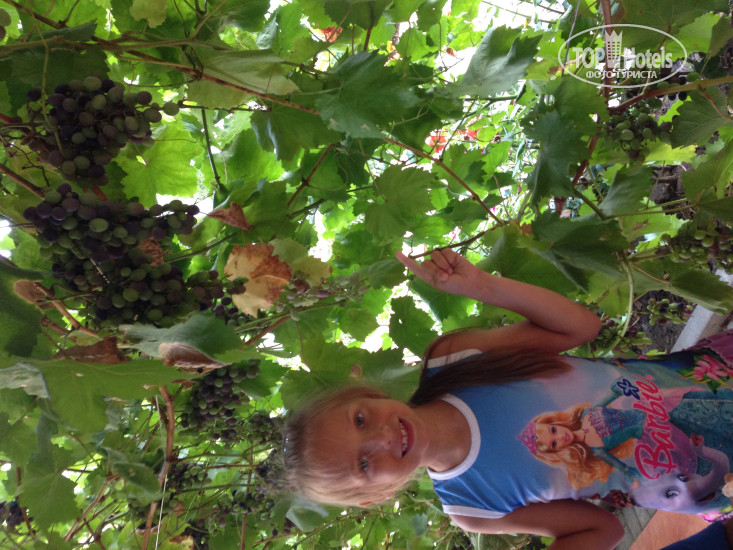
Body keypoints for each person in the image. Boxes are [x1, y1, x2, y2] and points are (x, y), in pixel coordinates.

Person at [282, 249, 733, 550]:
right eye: (364, 464)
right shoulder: (472, 508)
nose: (381, 438)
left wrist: (482, 285)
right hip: (714, 478)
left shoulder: (452, 360)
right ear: (373, 496)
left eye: (360, 420)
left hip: (712, 377)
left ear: (366, 395)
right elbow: (602, 528)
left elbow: (581, 328)